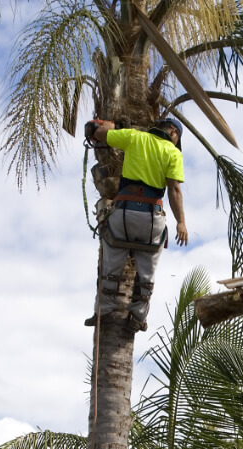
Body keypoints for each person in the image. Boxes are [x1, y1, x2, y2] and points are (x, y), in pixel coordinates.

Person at [84, 118, 188, 332]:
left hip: (124, 213)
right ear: (174, 133)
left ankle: (104, 309)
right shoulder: (173, 152)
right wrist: (181, 223)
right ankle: (138, 316)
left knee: (112, 260)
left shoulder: (134, 137)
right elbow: (174, 190)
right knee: (147, 271)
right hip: (151, 218)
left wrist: (108, 125)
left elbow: (98, 132)